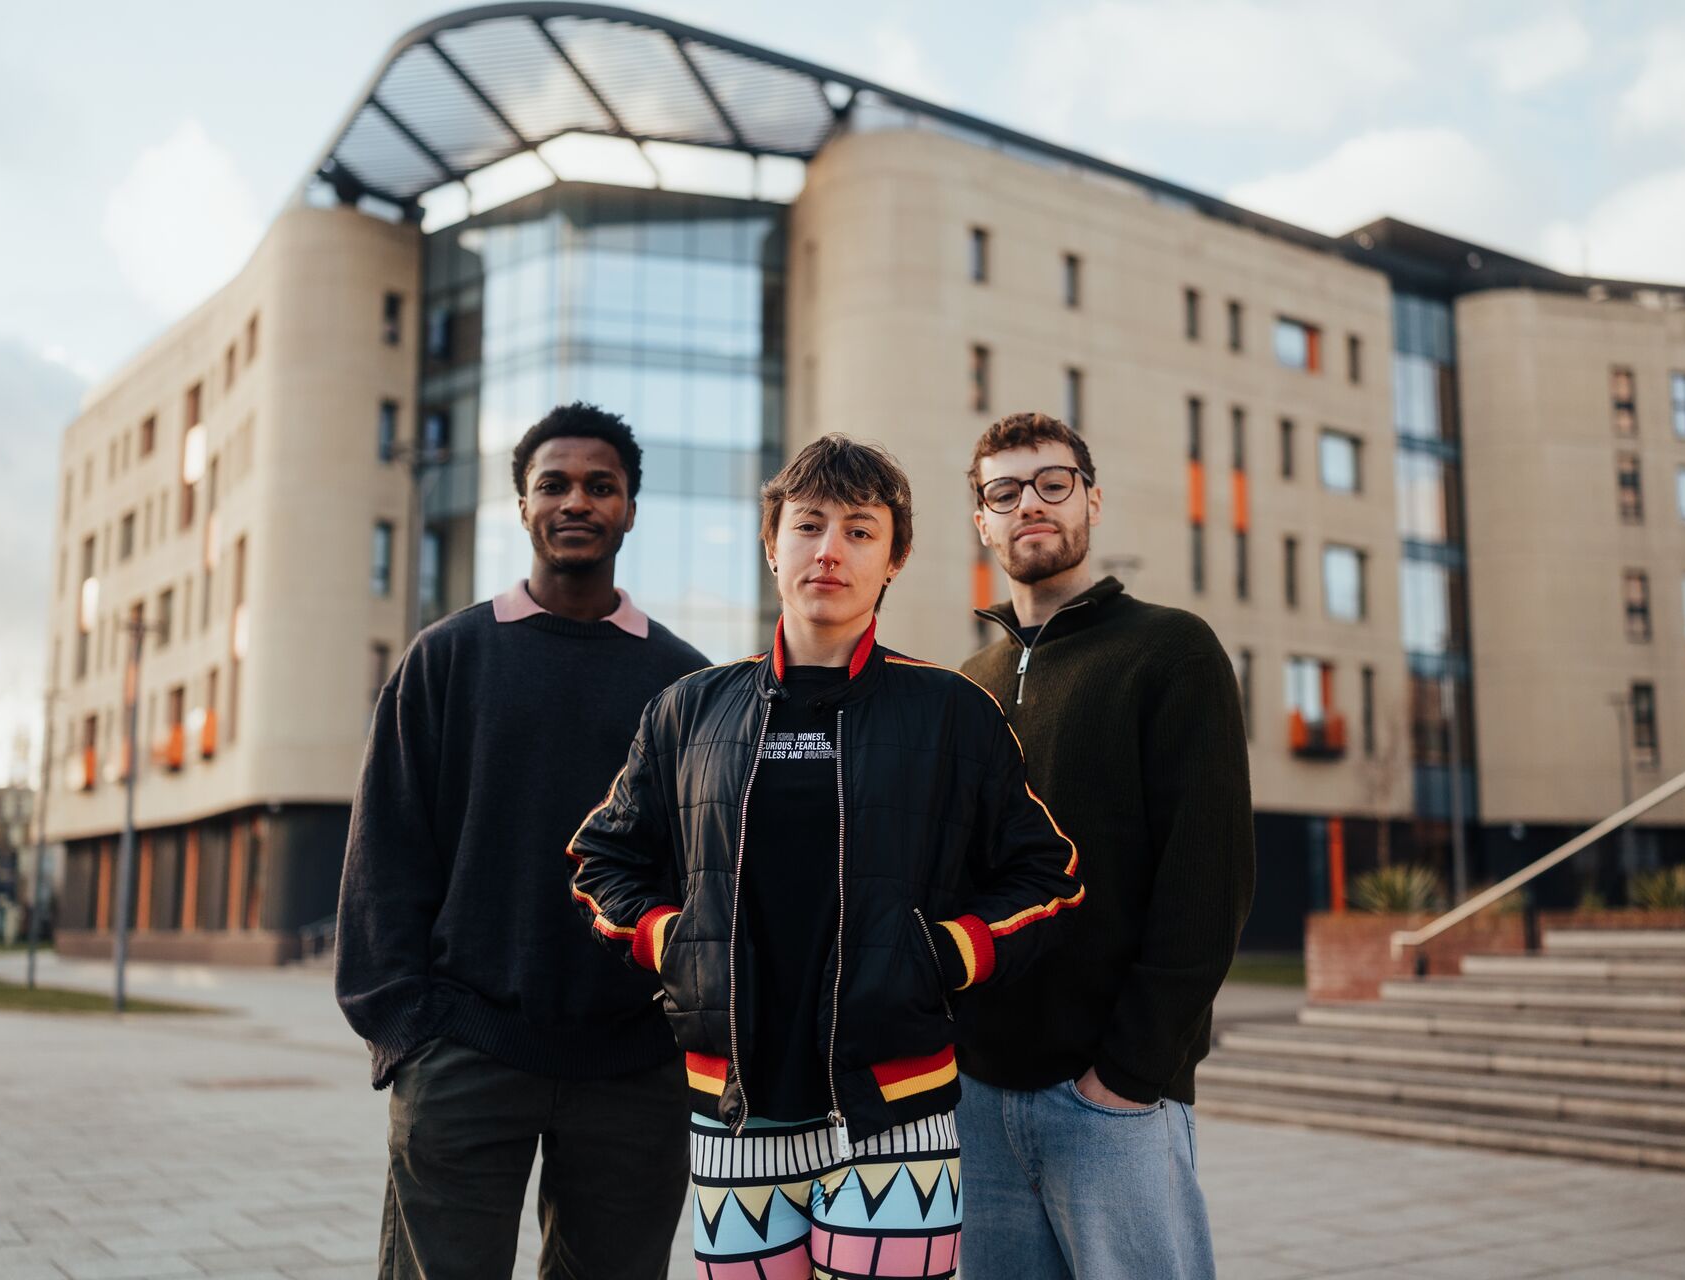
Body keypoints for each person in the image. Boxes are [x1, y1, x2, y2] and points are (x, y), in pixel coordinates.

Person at [567, 434, 1082, 1280]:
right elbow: (602, 864)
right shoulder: (689, 711)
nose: (830, 551)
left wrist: (945, 953)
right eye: (808, 526)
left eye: (859, 531)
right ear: (772, 545)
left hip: (897, 1111)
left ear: (895, 557)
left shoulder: (952, 712)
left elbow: (1048, 877)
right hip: (736, 1111)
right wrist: (672, 940)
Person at [335, 402, 708, 1279]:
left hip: (632, 1067)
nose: (576, 500)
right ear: (523, 505)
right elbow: (382, 852)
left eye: (599, 485)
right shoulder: (447, 659)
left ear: (629, 508)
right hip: (464, 1053)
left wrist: (687, 1029)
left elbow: (708, 878)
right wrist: (409, 1031)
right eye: (554, 484)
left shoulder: (686, 683)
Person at [955, 410, 1255, 1278]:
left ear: (1092, 500)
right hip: (980, 1100)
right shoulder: (965, 686)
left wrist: (1129, 1072)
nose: (1030, 505)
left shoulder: (1170, 651)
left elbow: (1212, 881)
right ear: (983, 520)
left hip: (1113, 1101)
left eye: (1053, 483)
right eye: (1004, 492)